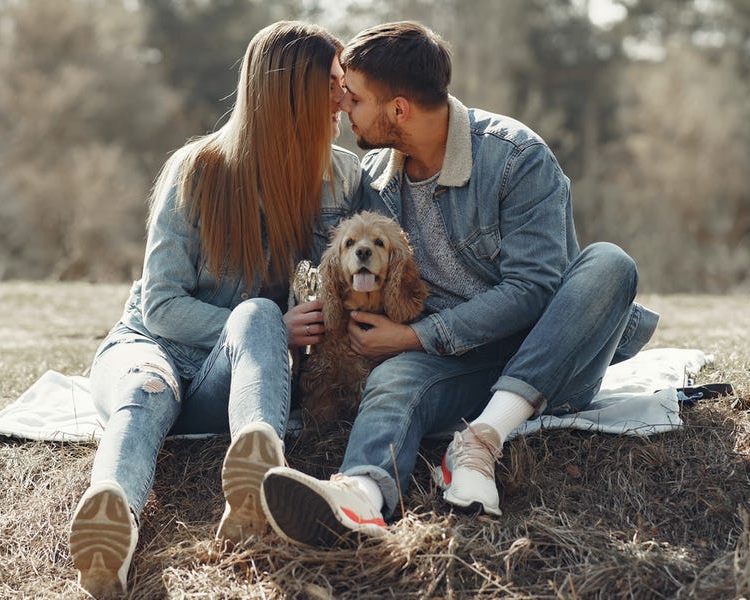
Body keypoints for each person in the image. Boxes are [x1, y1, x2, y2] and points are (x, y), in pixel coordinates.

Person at [259, 21, 659, 548]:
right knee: (394, 380)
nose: (341, 108)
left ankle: (482, 440)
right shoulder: (375, 179)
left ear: (399, 109)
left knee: (610, 263)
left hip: (549, 357)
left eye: (352, 99)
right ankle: (359, 492)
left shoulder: (516, 157)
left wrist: (414, 337)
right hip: (454, 363)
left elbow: (534, 289)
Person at [67, 21, 361, 598]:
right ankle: (113, 526)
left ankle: (255, 482)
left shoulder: (340, 176)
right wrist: (278, 327)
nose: (343, 97)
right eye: (331, 83)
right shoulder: (197, 170)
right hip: (151, 347)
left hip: (228, 376)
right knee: (145, 391)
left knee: (253, 313)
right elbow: (161, 305)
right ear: (291, 92)